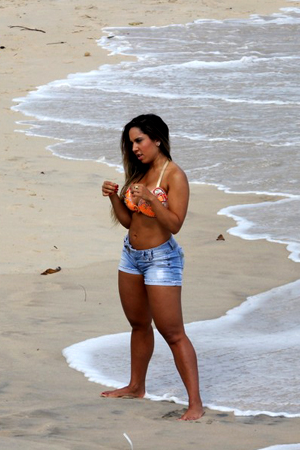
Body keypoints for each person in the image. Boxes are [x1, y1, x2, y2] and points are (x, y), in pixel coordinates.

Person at [100, 113, 204, 421]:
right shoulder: (139, 174)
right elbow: (130, 222)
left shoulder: (174, 176)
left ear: (157, 139)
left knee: (172, 332)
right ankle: (136, 386)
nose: (134, 148)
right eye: (131, 143)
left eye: (139, 141)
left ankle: (195, 403)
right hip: (131, 256)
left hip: (161, 259)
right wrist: (113, 199)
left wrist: (150, 198)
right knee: (138, 325)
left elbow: (175, 224)